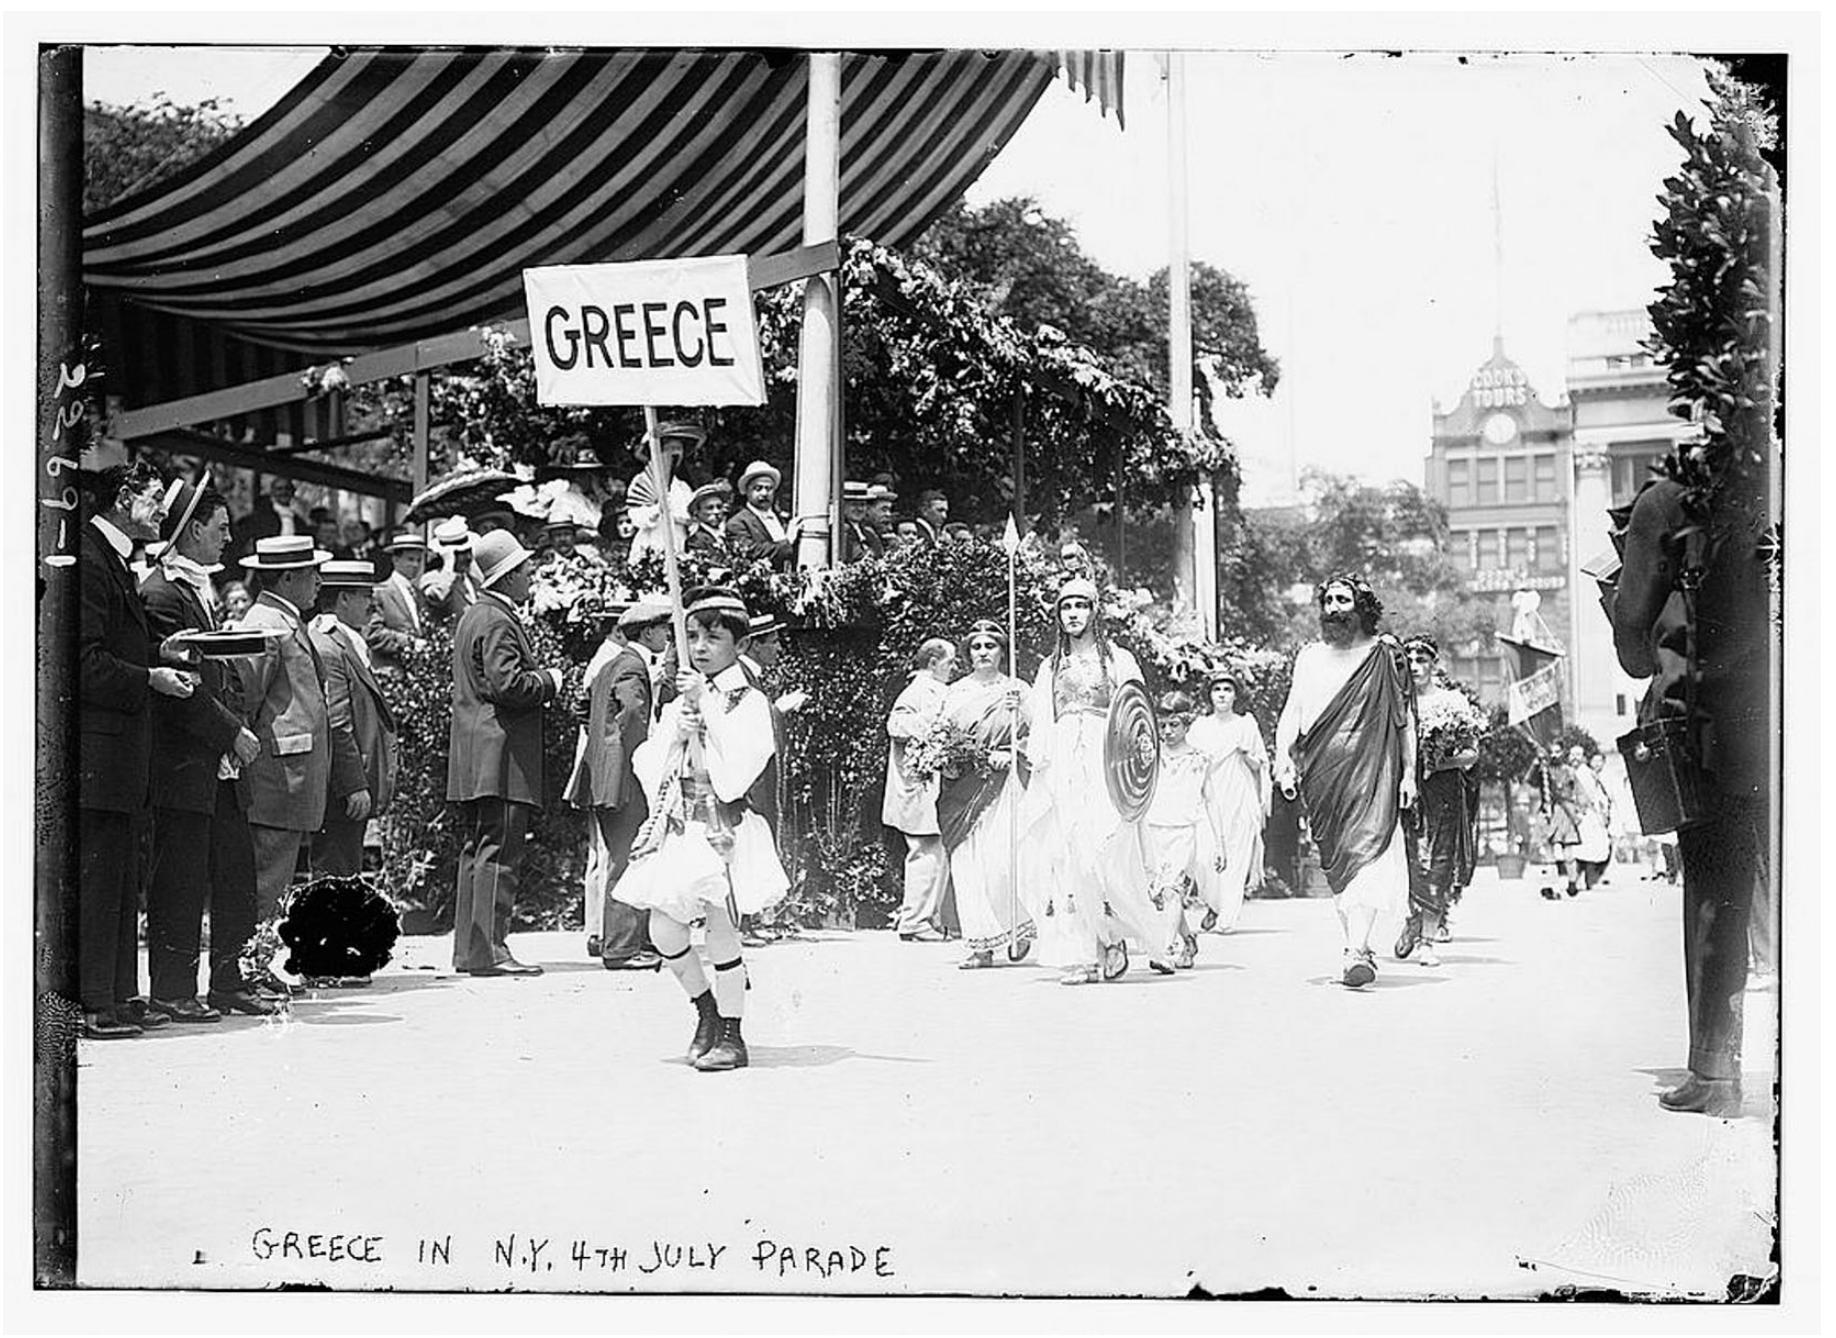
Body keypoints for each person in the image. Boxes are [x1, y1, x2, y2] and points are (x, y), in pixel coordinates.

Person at [1611, 468, 1770, 1117]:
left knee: (1717, 884)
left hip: (1714, 718)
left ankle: (1714, 1065)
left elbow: (1633, 640)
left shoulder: (1670, 500)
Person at [618, 586, 789, 1072]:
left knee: (720, 931)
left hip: (724, 827)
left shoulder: (748, 702)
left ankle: (733, 1035)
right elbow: (647, 763)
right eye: (693, 636)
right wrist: (677, 729)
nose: (701, 647)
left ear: (740, 643)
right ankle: (706, 1010)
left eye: (714, 637)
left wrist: (707, 715)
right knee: (665, 929)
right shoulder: (679, 700)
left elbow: (738, 774)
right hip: (681, 824)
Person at [140, 478, 275, 1022]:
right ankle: (173, 989)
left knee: (233, 870)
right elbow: (182, 692)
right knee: (181, 877)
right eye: (219, 529)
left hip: (216, 762)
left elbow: (218, 674)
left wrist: (237, 727)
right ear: (193, 530)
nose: (226, 540)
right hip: (185, 761)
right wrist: (232, 734)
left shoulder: (195, 588)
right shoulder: (160, 594)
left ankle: (228, 980)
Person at [77, 460, 197, 1038]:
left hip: (118, 757)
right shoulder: (92, 558)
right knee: (101, 880)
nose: (163, 511)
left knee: (120, 879)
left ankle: (118, 994)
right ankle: (94, 1003)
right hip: (100, 755)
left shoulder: (110, 557)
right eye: (153, 498)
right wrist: (150, 676)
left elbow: (116, 646)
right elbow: (83, 663)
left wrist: (159, 651)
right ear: (123, 498)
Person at [1018, 576, 1174, 985]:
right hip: (1066, 762)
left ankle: (1115, 935)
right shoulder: (1050, 666)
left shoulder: (1117, 660)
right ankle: (1083, 953)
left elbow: (1137, 716)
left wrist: (1138, 760)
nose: (1072, 614)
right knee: (1071, 857)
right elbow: (1041, 720)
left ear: (1094, 612)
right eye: (1065, 607)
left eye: (1080, 606)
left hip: (1108, 761)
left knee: (1107, 853)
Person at [1272, 574, 1416, 989]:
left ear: (1362, 607)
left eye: (1343, 599)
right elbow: (1292, 711)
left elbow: (1403, 722)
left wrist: (1408, 774)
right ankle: (1358, 945)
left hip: (1376, 771)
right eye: (1329, 600)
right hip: (1322, 776)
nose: (1334, 607)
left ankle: (1356, 949)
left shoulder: (1384, 654)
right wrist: (1283, 756)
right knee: (1339, 863)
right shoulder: (1310, 657)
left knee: (1371, 853)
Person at [446, 531, 564, 976]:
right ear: (509, 575)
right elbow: (509, 685)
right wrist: (550, 681)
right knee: (499, 850)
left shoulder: (477, 615)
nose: (532, 574)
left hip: (480, 754)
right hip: (501, 754)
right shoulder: (496, 619)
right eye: (526, 568)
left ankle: (471, 950)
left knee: (478, 850)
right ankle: (491, 950)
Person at [234, 535, 336, 921]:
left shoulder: (285, 620)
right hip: (276, 777)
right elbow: (246, 698)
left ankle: (262, 967)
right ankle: (255, 969)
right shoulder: (266, 623)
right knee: (268, 880)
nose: (319, 583)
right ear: (289, 577)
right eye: (314, 573)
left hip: (289, 776)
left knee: (277, 879)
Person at [565, 596, 670, 972]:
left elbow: (583, 707)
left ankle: (624, 942)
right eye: (664, 629)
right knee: (628, 858)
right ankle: (622, 948)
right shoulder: (631, 666)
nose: (668, 637)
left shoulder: (614, 662)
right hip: (624, 778)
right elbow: (632, 716)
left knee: (622, 856)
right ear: (648, 631)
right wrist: (648, 756)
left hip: (605, 776)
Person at [936, 621, 1034, 969]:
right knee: (967, 865)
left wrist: (1015, 744)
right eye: (975, 646)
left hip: (1005, 784)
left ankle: (1018, 927)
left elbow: (1038, 735)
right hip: (964, 788)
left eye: (990, 646)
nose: (982, 652)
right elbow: (941, 740)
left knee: (1001, 861)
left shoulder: (1018, 689)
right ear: (967, 653)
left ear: (1001, 652)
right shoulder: (955, 693)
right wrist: (949, 760)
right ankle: (980, 945)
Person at [1394, 636, 1481, 965]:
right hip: (1405, 791)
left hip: (1443, 792)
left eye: (1422, 661)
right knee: (1409, 862)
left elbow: (1472, 752)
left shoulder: (1452, 702)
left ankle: (1427, 941)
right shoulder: (1397, 702)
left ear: (1434, 664)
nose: (1415, 667)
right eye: (1409, 662)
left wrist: (1439, 761)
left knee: (1439, 864)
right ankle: (1414, 918)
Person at [308, 561, 397, 880]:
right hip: (341, 784)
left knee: (345, 867)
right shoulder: (330, 645)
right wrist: (354, 784)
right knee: (337, 869)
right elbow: (338, 723)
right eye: (364, 596)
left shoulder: (343, 640)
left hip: (346, 779)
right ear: (343, 599)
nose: (371, 604)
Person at [1141, 691, 1221, 973]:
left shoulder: (1200, 759)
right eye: (1162, 725)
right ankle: (1188, 940)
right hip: (1152, 830)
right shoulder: (1151, 756)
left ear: (1186, 724)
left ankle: (1164, 950)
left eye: (1174, 724)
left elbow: (1211, 801)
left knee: (1173, 891)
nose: (1167, 731)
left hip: (1184, 833)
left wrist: (1219, 844)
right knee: (1159, 895)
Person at [882, 637, 956, 942]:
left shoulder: (932, 690)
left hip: (927, 786)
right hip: (918, 787)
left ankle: (925, 918)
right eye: (950, 663)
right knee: (925, 852)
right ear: (933, 662)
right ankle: (914, 920)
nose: (953, 669)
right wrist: (933, 725)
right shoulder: (919, 690)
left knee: (934, 853)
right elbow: (895, 725)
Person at [1186, 668, 1269, 933]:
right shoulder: (1199, 727)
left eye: (1227, 690)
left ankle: (1227, 917)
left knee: (1236, 857)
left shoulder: (1246, 724)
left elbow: (1259, 764)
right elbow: (1188, 762)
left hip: (1239, 795)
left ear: (1235, 696)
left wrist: (1245, 754)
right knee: (1204, 857)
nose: (1222, 695)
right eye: (1217, 690)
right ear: (1209, 695)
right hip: (1208, 798)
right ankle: (1214, 902)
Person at [625, 421, 701, 564]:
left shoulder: (683, 487)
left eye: (679, 448)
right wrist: (656, 510)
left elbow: (692, 518)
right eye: (671, 448)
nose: (675, 453)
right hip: (653, 538)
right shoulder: (641, 481)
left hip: (678, 539)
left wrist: (691, 522)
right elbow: (635, 516)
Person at [366, 532, 429, 673]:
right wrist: (411, 643)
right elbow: (373, 634)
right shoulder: (380, 592)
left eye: (419, 560)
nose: (415, 565)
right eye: (410, 559)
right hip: (390, 672)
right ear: (395, 560)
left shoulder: (418, 594)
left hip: (416, 673)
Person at [1535, 746, 1589, 901]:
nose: (1554, 755)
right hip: (1548, 810)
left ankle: (1572, 882)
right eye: (1551, 752)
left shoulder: (1569, 771)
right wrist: (1536, 762)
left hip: (1565, 811)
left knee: (1567, 850)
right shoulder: (1543, 770)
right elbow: (1530, 780)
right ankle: (1553, 886)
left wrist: (1580, 809)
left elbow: (1579, 791)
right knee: (1549, 850)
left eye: (1557, 752)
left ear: (1562, 754)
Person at [724, 461, 795, 566]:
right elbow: (752, 552)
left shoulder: (782, 519)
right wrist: (787, 542)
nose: (764, 493)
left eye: (769, 488)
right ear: (747, 491)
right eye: (758, 488)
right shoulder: (737, 523)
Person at [230, 475, 310, 565]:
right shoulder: (260, 517)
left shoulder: (299, 522)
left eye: (287, 489)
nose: (284, 492)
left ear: (293, 492)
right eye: (279, 489)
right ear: (272, 492)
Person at [418, 516, 479, 624]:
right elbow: (438, 597)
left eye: (469, 551)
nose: (469, 558)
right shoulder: (432, 579)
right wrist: (448, 566)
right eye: (462, 554)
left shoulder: (473, 581)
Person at [1571, 746, 1614, 888]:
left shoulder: (1586, 773)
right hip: (1576, 815)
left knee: (1588, 848)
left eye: (1578, 755)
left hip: (1588, 815)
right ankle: (1580, 879)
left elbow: (1594, 796)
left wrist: (1601, 814)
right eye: (1573, 754)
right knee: (1578, 848)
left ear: (1583, 757)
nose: (1575, 757)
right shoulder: (1572, 771)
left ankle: (1588, 879)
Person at [684, 481, 733, 559]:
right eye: (710, 508)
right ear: (697, 512)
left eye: (719, 507)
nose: (716, 512)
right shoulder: (695, 541)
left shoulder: (729, 533)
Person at [840, 481, 884, 563]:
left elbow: (880, 554)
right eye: (854, 504)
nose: (859, 509)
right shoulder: (840, 531)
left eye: (862, 505)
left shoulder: (869, 532)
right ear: (843, 506)